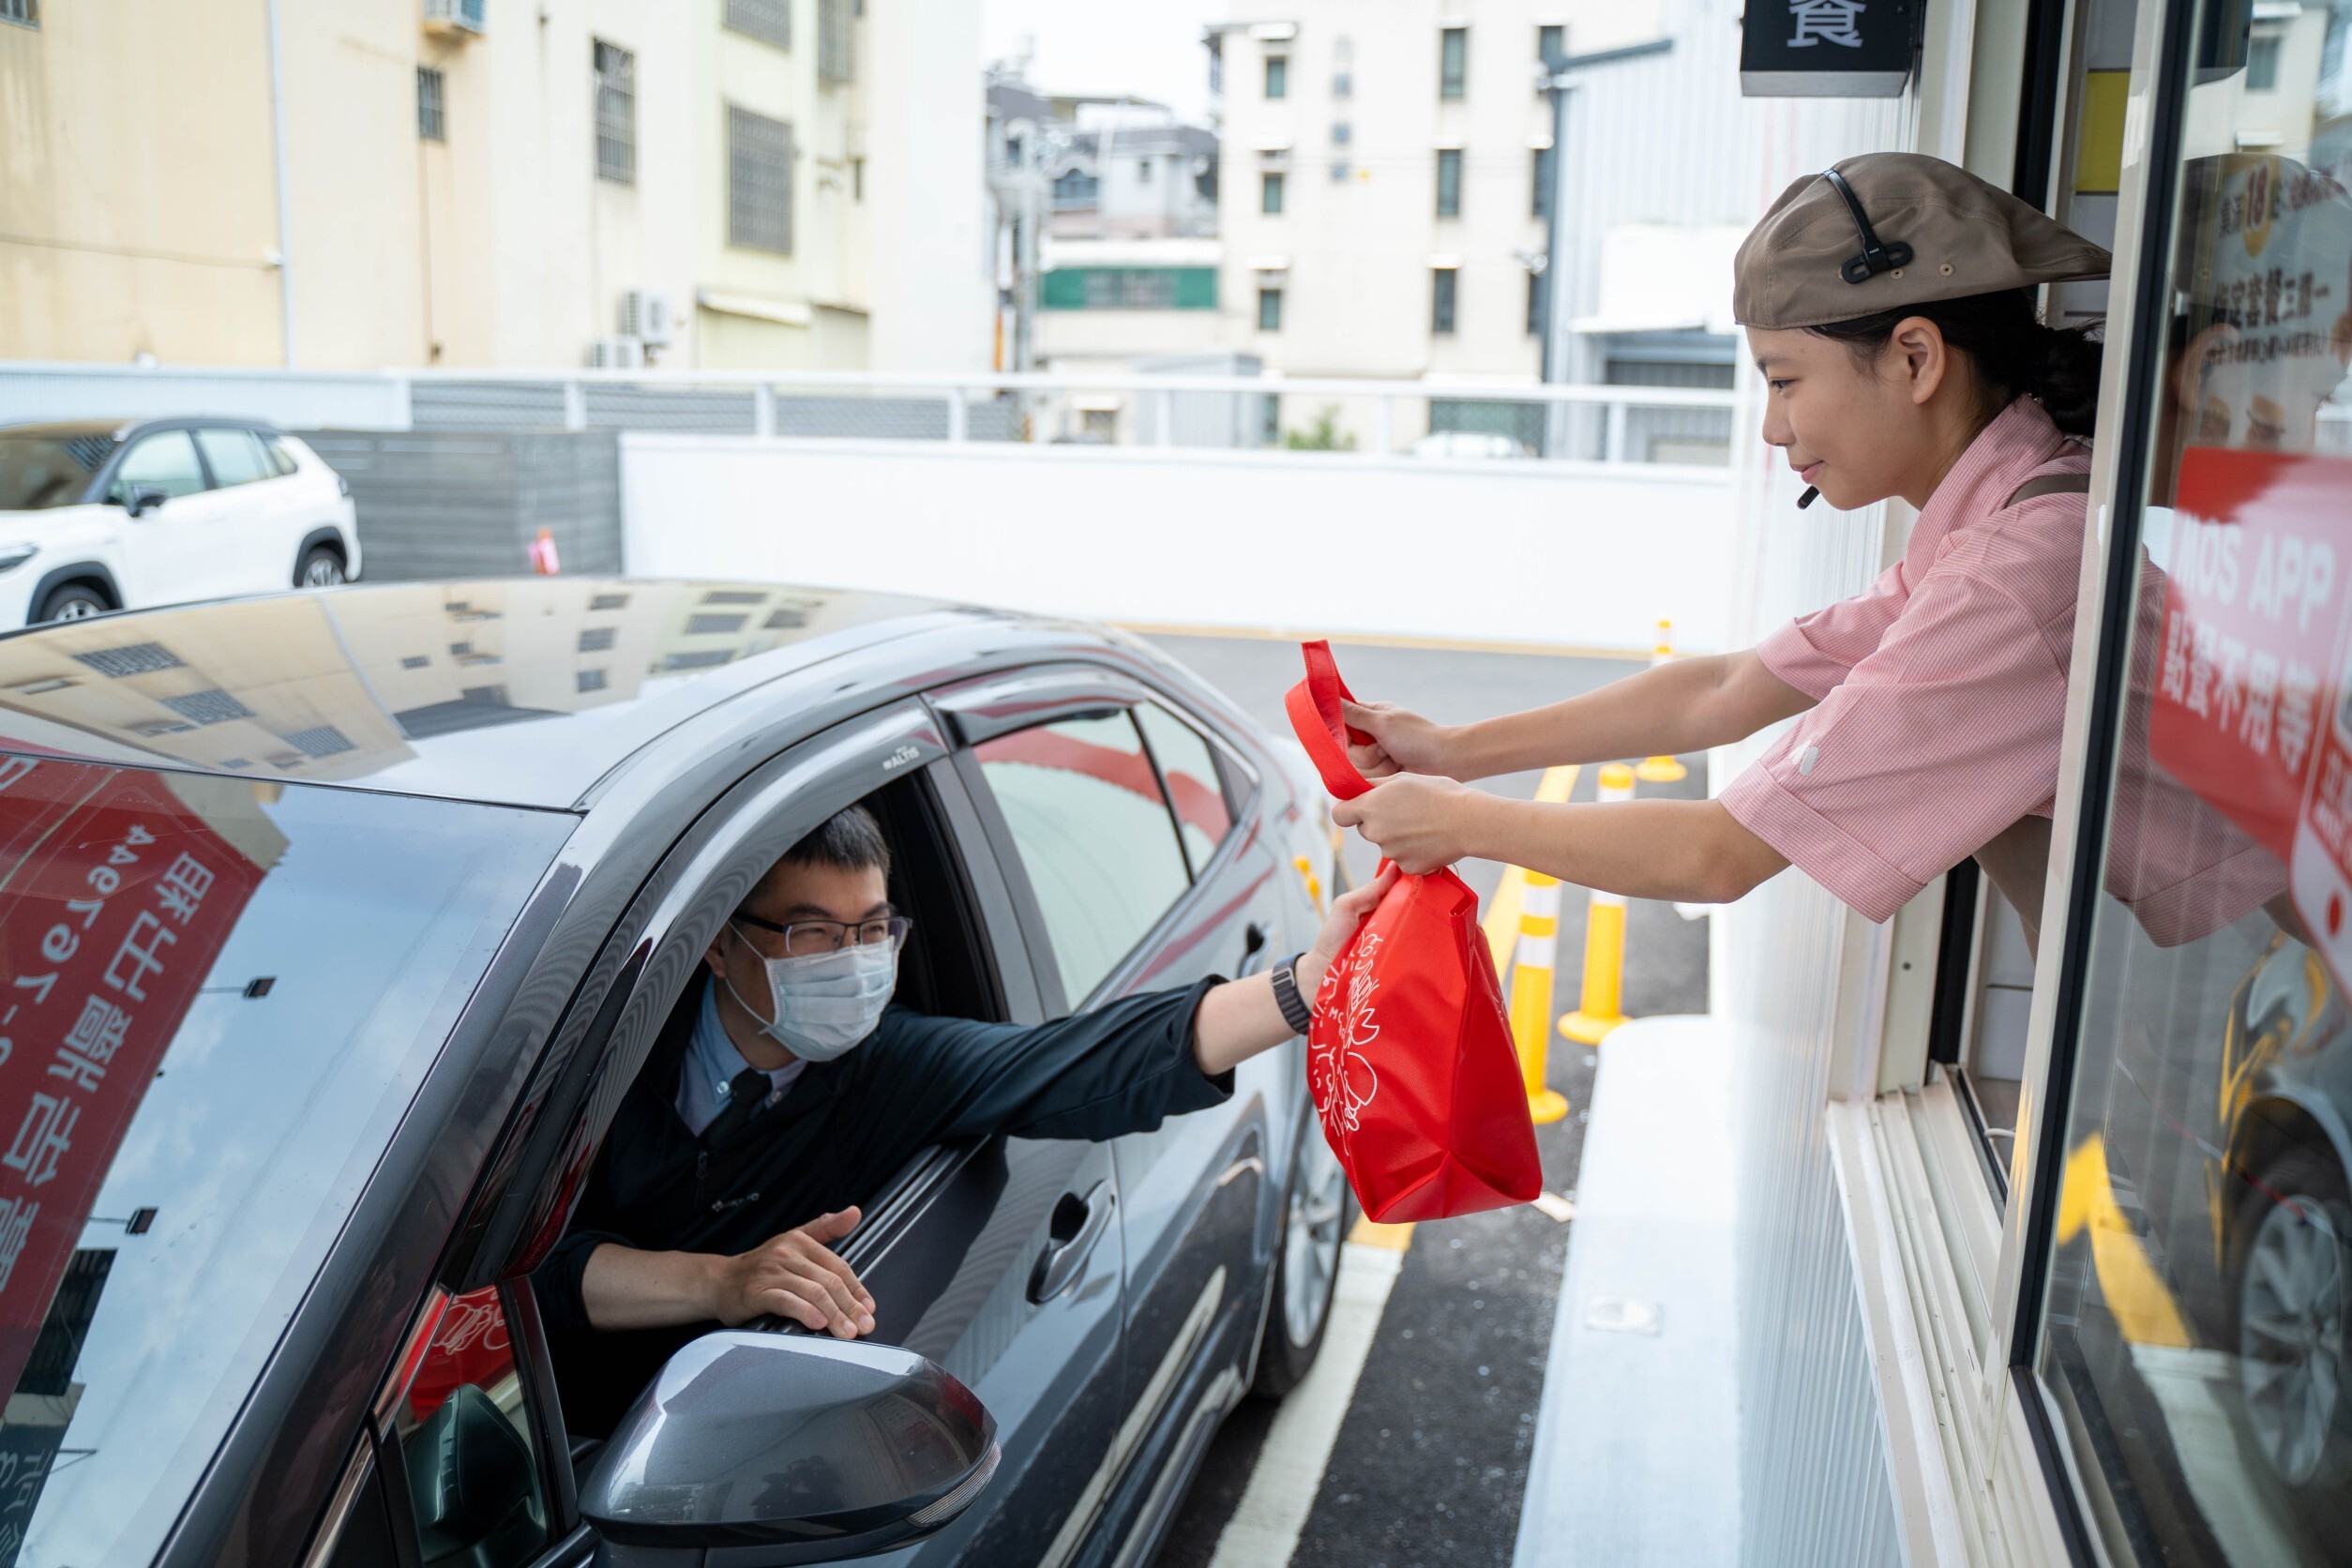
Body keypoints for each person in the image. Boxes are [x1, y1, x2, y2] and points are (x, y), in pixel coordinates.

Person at [1331, 152, 2287, 954]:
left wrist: (1464, 824)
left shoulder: (2019, 576)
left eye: (1785, 381)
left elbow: (1720, 854)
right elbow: (1727, 690)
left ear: (1916, 358)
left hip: (2265, 1004)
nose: (1774, 428)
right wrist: (1456, 752)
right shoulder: (2011, 512)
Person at [534, 802, 1392, 1433]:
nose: (856, 964)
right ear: (720, 945)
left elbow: (1080, 1060)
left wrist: (1300, 989)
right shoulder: (606, 1063)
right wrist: (720, 1282)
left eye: (873, 930)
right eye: (813, 936)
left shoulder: (893, 1066)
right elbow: (530, 1267)